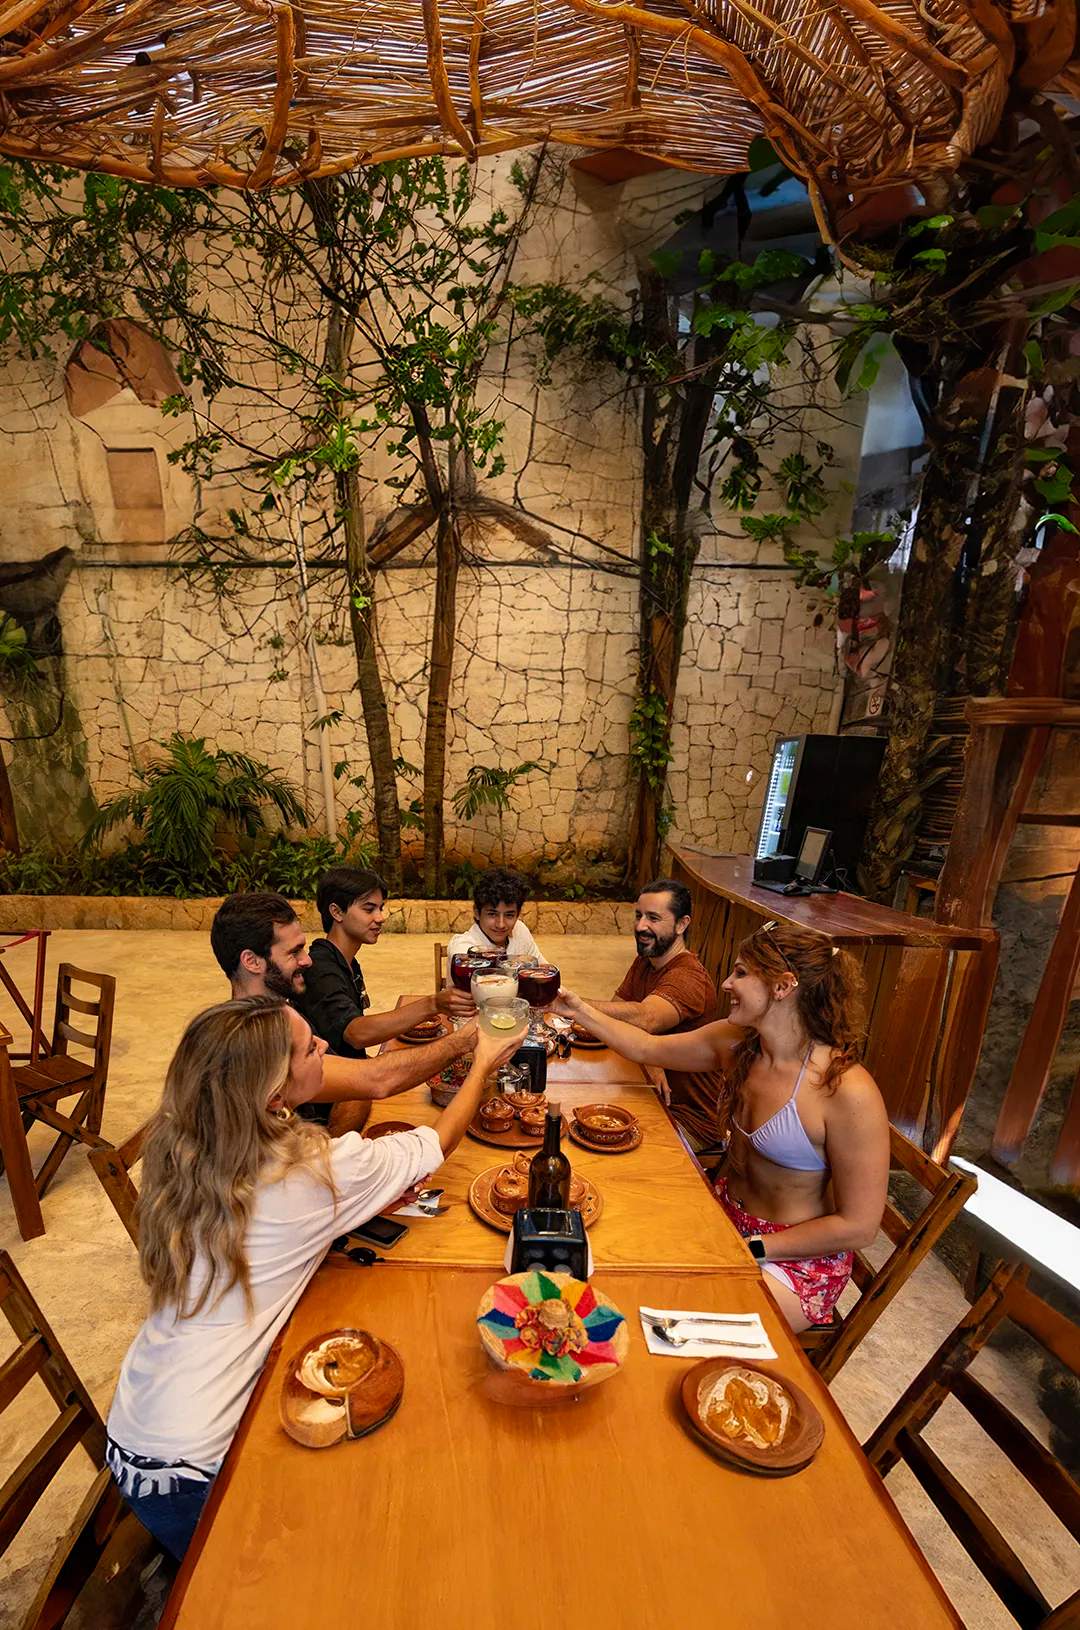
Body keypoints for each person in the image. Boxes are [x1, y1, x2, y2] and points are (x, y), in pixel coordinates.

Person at [105, 996, 517, 1559]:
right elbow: (434, 1143)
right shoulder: (307, 1172)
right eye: (307, 1048)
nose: (323, 1043)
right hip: (197, 1467)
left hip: (136, 1429)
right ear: (274, 1095)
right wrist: (482, 1064)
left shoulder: (186, 1147)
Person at [557, 919, 889, 1332]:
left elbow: (859, 1226)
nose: (727, 983)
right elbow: (645, 1046)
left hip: (792, 1261)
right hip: (724, 1221)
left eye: (742, 973)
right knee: (611, 1252)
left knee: (667, 1326)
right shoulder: (738, 1043)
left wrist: (755, 1247)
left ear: (783, 986)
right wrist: (574, 1008)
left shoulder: (845, 1089)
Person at [210, 891, 475, 1135]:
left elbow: (358, 1078)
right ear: (251, 961)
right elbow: (375, 1078)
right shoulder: (253, 1041)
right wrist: (464, 1040)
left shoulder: (280, 1012)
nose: (307, 960)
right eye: (294, 952)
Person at [558, 878, 722, 1148]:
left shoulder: (688, 978)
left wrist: (573, 1006)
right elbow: (611, 1019)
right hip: (649, 1096)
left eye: (653, 918)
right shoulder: (646, 961)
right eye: (638, 915)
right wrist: (649, 1060)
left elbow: (647, 1017)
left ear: (682, 924)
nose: (640, 926)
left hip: (687, 1120)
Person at [296, 867, 475, 1061]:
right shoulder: (320, 968)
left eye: (380, 908)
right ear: (337, 912)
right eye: (369, 909)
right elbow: (356, 1034)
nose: (380, 918)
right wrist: (433, 1004)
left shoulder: (347, 962)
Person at [445, 867, 542, 966]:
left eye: (509, 915)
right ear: (477, 913)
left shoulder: (520, 930)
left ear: (518, 914)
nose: (501, 925)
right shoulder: (462, 947)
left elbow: (543, 968)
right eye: (492, 914)